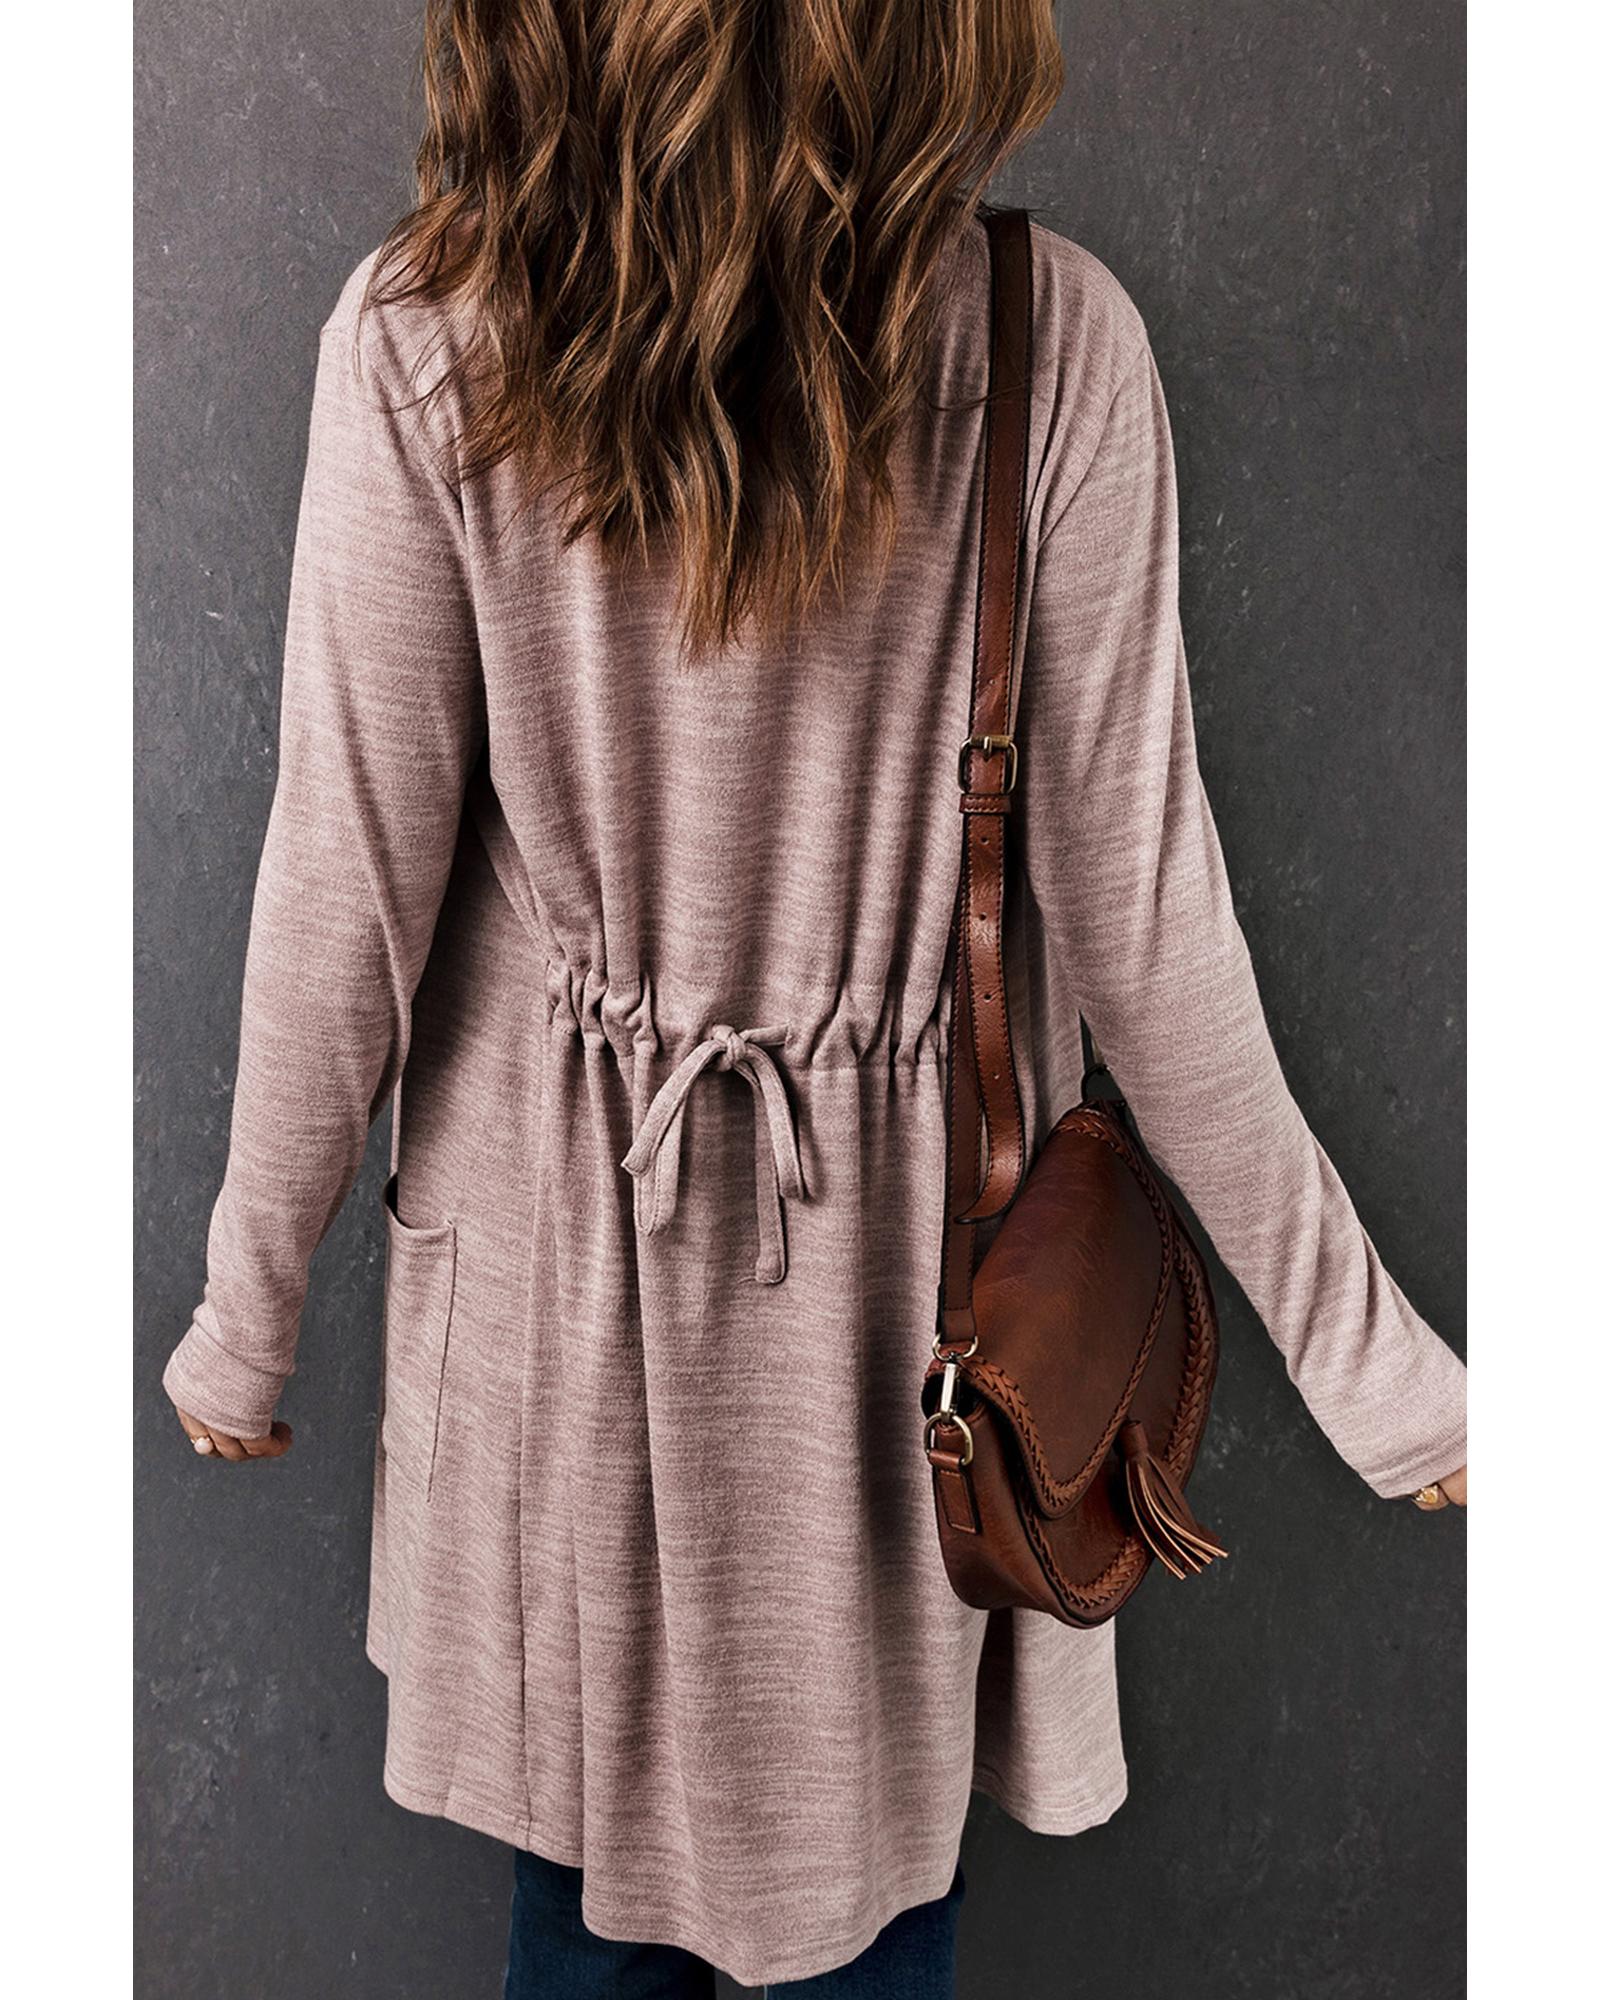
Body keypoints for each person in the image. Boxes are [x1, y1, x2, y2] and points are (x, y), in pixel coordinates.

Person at [159, 3, 1466, 1993]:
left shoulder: (427, 335)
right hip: (901, 1305)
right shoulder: (1045, 339)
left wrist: (244, 1322)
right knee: (878, 1912)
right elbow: (1148, 927)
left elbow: (344, 892)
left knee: (580, 1919)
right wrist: (1380, 1369)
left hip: (576, 1299)